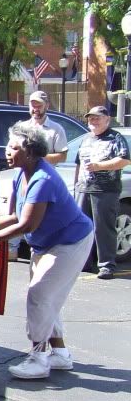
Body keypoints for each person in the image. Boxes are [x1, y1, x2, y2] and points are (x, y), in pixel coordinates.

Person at [0, 121, 93, 379]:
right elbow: (14, 215)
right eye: (8, 146)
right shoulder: (19, 174)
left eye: (14, 147)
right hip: (46, 243)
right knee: (47, 297)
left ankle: (38, 358)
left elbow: (27, 224)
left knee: (39, 295)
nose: (7, 151)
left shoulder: (43, 179)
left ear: (31, 151)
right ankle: (59, 354)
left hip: (70, 241)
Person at [5, 90, 71, 260]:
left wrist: (36, 156)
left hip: (41, 176)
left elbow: (63, 155)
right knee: (14, 210)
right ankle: (12, 248)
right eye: (32, 105)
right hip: (21, 174)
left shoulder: (56, 129)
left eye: (39, 105)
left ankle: (43, 246)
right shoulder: (21, 128)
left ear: (46, 106)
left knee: (33, 216)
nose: (35, 108)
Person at [74, 105, 131, 280]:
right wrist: (76, 183)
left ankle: (106, 265)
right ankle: (84, 263)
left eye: (97, 118)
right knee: (83, 228)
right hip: (84, 188)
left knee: (103, 229)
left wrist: (100, 167)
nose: (93, 121)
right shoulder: (86, 139)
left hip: (106, 190)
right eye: (91, 118)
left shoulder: (115, 138)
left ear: (107, 119)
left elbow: (124, 160)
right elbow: (78, 163)